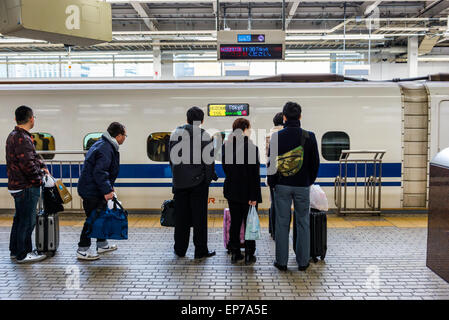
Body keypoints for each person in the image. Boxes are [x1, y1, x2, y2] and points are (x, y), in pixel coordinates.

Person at [267, 102, 320, 271]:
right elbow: (315, 163)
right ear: (300, 116)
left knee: (282, 223)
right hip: (302, 186)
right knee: (303, 222)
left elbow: (271, 164)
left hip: (282, 185)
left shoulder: (276, 137)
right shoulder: (309, 136)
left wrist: (273, 183)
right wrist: (308, 181)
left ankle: (281, 262)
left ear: (284, 117)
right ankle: (303, 262)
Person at [169, 106, 217, 259]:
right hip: (198, 184)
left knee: (181, 218)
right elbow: (209, 163)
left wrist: (176, 175)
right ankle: (200, 250)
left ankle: (180, 249)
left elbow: (171, 160)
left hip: (179, 183)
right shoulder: (204, 135)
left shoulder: (175, 134)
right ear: (202, 121)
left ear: (187, 119)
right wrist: (206, 181)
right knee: (199, 218)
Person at [76, 122, 127, 260]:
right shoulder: (105, 148)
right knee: (93, 219)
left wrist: (109, 186)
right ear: (118, 135)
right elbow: (100, 172)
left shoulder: (104, 145)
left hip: (93, 188)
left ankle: (102, 244)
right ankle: (82, 249)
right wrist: (106, 190)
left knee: (100, 217)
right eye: (124, 135)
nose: (125, 138)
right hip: (92, 191)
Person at [6, 106, 49, 263]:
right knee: (27, 221)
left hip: (18, 185)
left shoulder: (14, 135)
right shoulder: (22, 138)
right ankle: (23, 254)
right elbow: (28, 164)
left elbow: (33, 158)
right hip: (26, 186)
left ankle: (15, 250)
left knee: (19, 219)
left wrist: (43, 167)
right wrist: (39, 179)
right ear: (31, 118)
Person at [222, 118, 262, 265]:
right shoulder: (252, 148)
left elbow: (226, 169)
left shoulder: (226, 146)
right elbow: (254, 175)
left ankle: (235, 253)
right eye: (249, 128)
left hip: (232, 191)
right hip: (248, 193)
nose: (250, 131)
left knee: (235, 223)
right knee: (250, 223)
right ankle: (249, 255)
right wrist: (254, 196)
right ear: (244, 129)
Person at [265, 112, 284, 240]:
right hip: (283, 175)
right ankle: (279, 231)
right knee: (281, 205)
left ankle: (272, 229)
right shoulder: (283, 135)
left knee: (273, 202)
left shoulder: (268, 136)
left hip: (271, 174)